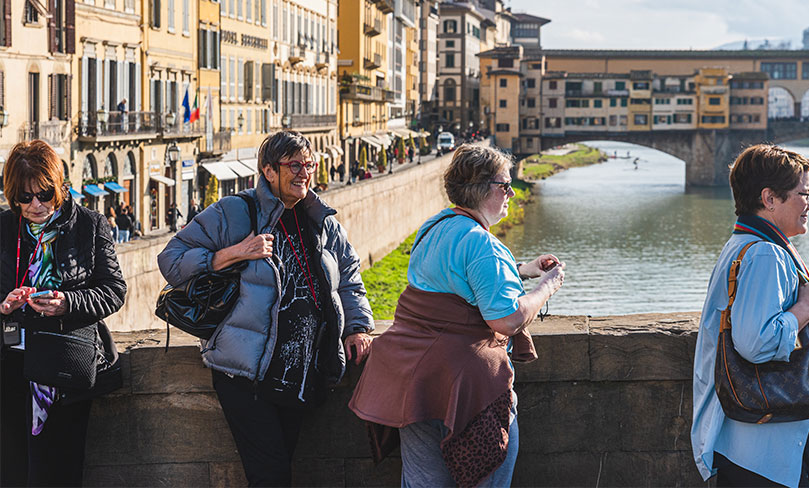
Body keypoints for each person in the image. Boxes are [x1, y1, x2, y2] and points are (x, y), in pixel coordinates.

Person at [157, 130, 374, 486]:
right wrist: (234, 252)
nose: (303, 172)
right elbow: (171, 260)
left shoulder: (322, 220)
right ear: (268, 171)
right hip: (247, 374)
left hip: (301, 371)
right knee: (271, 475)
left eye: (308, 164)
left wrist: (359, 328)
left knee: (279, 470)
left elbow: (349, 277)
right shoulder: (234, 212)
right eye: (293, 165)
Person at [349, 144, 566, 487]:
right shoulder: (483, 244)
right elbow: (507, 320)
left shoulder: (433, 227)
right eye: (504, 185)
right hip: (468, 389)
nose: (511, 192)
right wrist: (547, 287)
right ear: (481, 190)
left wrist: (521, 270)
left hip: (416, 382)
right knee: (487, 474)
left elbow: (454, 280)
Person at [691, 144, 809, 488]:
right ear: (769, 198)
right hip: (764, 453)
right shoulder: (765, 254)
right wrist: (808, 306)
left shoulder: (742, 243)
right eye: (804, 194)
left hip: (748, 443)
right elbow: (756, 343)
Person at [0, 140, 127, 486]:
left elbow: (114, 291)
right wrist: (4, 305)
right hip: (11, 370)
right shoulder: (4, 228)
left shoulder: (90, 225)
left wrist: (67, 303)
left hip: (65, 369)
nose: (36, 205)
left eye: (44, 193)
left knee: (59, 472)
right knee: (12, 471)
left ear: (59, 186)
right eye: (25, 198)